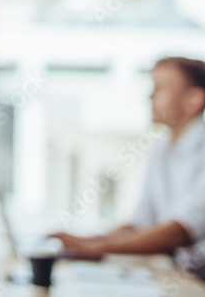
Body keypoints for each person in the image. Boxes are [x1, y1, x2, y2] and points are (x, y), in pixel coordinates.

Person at [53, 57, 205, 279]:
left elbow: (182, 230)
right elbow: (141, 222)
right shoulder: (162, 147)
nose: (150, 96)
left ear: (194, 99)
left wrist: (99, 247)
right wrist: (91, 240)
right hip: (177, 271)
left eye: (159, 88)